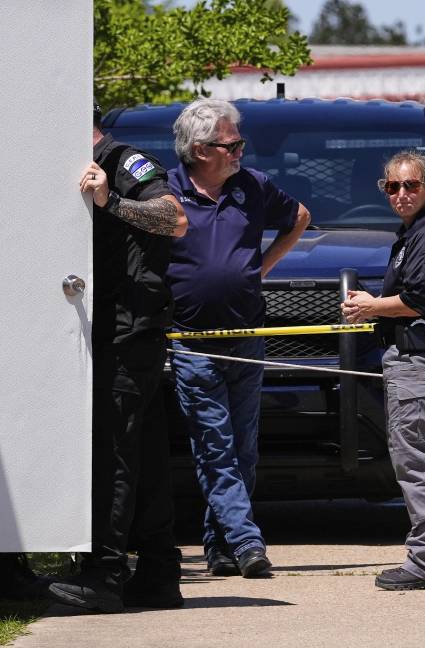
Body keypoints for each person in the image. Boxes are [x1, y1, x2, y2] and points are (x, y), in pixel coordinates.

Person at [44, 104, 189, 613]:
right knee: (145, 459)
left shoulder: (122, 160)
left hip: (128, 335)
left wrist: (111, 200)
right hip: (116, 334)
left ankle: (103, 575)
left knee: (113, 456)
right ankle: (158, 575)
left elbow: (175, 218)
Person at [166, 99, 310, 578]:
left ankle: (221, 547)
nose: (239, 151)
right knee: (215, 446)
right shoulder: (165, 190)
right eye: (231, 145)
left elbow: (299, 217)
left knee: (243, 449)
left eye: (239, 142)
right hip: (192, 343)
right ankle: (247, 542)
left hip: (247, 338)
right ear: (200, 150)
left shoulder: (253, 186)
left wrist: (260, 269)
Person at [342, 151, 425, 590]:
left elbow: (420, 298)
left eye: (410, 185)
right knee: (419, 459)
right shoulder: (417, 233)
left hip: (422, 362)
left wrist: (371, 306)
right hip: (419, 361)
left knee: (419, 464)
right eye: (392, 186)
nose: (400, 194)